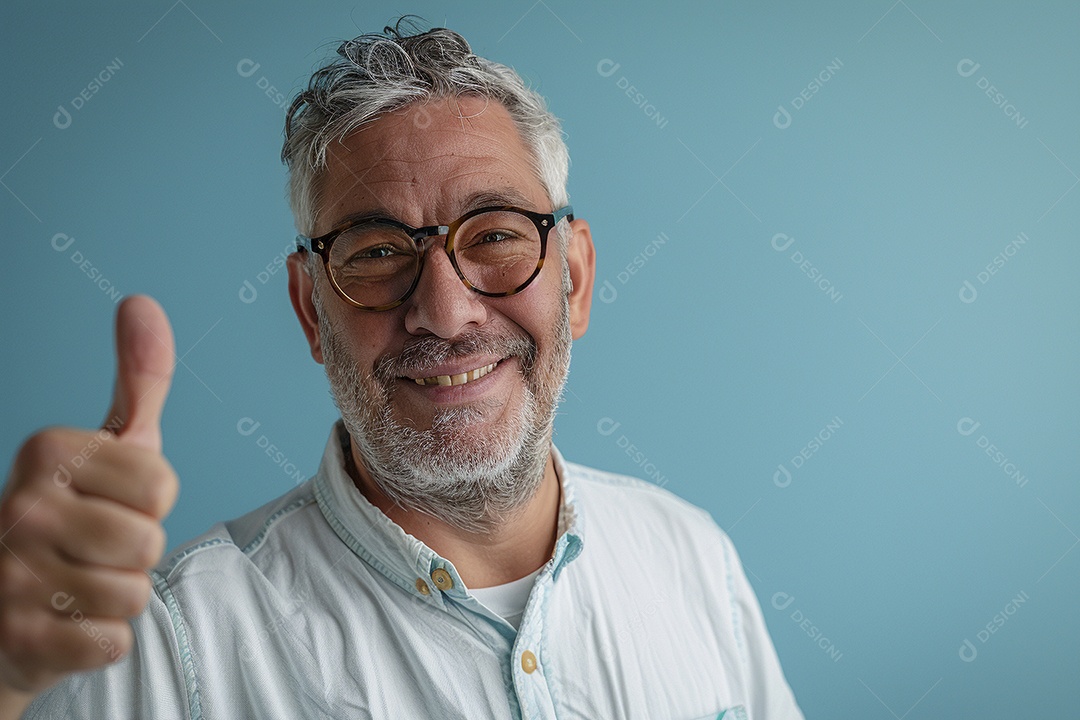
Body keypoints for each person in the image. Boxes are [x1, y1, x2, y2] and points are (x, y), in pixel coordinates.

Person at [0, 21, 804, 719]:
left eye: (494, 235)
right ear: (312, 311)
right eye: (379, 252)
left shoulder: (692, 556)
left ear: (577, 279)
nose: (446, 313)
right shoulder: (163, 647)